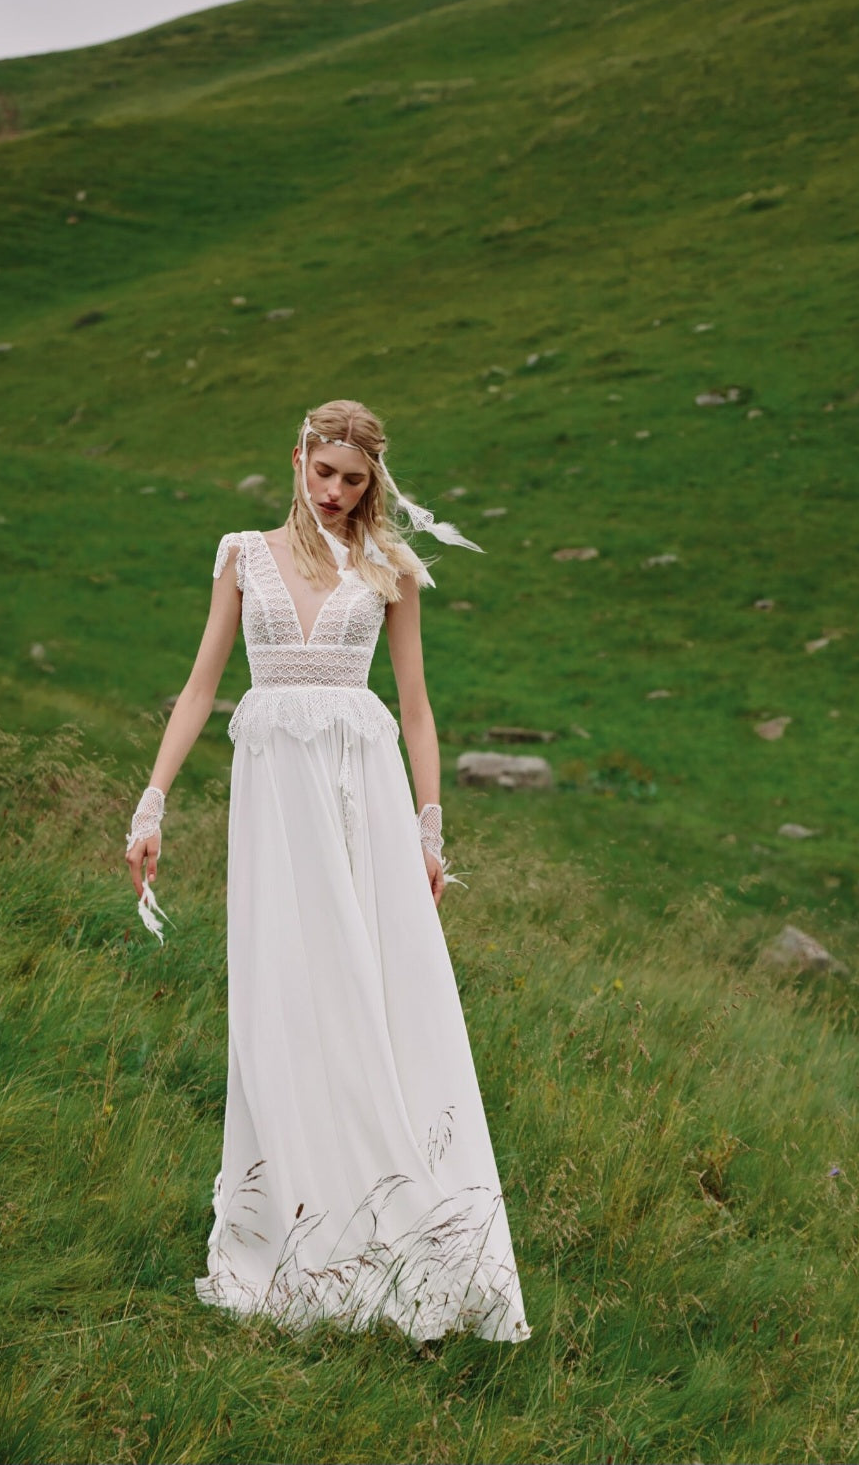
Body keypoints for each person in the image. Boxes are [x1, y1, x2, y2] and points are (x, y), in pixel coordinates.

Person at [124, 400, 531, 1345]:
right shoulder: (241, 555)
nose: (335, 492)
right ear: (298, 458)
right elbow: (199, 686)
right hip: (273, 798)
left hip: (363, 796)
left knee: (373, 991)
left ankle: (395, 1212)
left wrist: (430, 831)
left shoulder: (389, 567)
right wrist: (152, 801)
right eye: (323, 470)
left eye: (354, 479)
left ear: (372, 480)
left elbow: (418, 708)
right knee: (283, 994)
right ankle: (297, 1219)